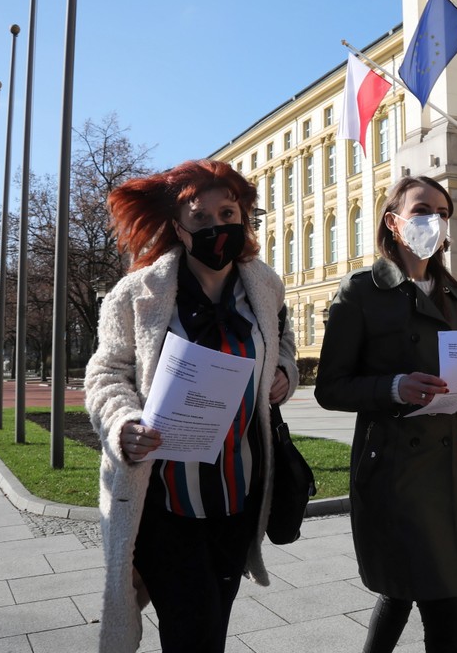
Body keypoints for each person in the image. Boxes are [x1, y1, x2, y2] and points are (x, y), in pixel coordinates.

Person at [84, 159, 297, 653]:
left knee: (211, 629)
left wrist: (284, 373)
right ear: (178, 227)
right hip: (164, 503)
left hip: (236, 500)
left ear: (243, 216)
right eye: (200, 218)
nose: (217, 227)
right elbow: (105, 372)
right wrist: (122, 423)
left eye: (228, 213)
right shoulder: (138, 294)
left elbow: (283, 343)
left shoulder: (264, 286)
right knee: (194, 634)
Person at [316, 175, 457, 653]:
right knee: (442, 598)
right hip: (391, 465)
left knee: (403, 588)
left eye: (444, 213)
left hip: (445, 466)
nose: (435, 220)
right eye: (423, 210)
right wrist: (394, 387)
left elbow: (453, 383)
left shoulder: (452, 293)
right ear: (394, 221)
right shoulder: (362, 291)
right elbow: (329, 388)